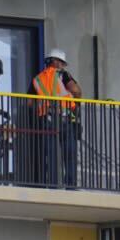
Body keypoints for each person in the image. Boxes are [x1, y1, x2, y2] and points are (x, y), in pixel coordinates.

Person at [29, 48, 82, 188]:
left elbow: (30, 103)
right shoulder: (63, 75)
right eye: (62, 63)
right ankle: (71, 186)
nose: (63, 66)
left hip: (47, 121)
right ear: (56, 62)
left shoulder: (37, 79)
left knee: (51, 156)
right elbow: (76, 90)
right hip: (64, 120)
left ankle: (53, 187)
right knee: (69, 155)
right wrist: (76, 103)